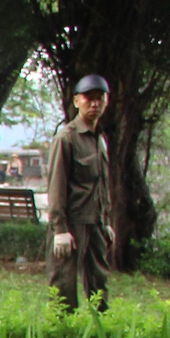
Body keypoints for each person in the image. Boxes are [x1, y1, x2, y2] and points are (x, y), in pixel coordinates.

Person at [47, 74, 114, 311]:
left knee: (99, 283)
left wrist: (105, 220)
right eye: (89, 98)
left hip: (95, 221)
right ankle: (62, 336)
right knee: (63, 285)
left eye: (100, 98)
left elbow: (102, 185)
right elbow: (56, 185)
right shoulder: (67, 138)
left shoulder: (99, 139)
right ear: (76, 101)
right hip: (72, 223)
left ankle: (101, 335)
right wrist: (60, 229)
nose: (95, 103)